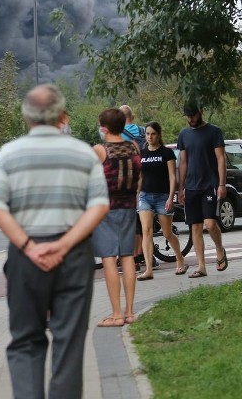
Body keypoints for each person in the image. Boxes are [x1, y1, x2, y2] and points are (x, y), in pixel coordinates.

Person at [0, 84, 110, 399]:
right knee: (69, 341)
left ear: (25, 116)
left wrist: (29, 246)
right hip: (74, 256)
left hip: (25, 256)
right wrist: (65, 244)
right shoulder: (84, 154)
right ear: (61, 116)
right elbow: (99, 205)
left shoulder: (9, 154)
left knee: (25, 340)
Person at [92, 108, 141, 327]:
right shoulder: (134, 147)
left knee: (109, 257)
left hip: (106, 208)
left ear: (104, 128)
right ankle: (130, 312)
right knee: (128, 256)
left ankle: (116, 314)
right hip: (129, 206)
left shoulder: (100, 150)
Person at [177, 104, 228, 278]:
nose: (190, 119)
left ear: (201, 112)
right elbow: (182, 162)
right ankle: (201, 266)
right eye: (187, 116)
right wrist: (180, 188)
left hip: (209, 184)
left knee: (210, 223)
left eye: (193, 115)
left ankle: (220, 249)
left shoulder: (214, 132)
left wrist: (222, 184)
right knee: (195, 227)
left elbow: (221, 158)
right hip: (191, 186)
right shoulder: (184, 134)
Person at [137, 122, 186, 279]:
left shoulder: (167, 153)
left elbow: (172, 176)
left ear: (159, 135)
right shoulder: (142, 154)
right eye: (147, 134)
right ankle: (149, 269)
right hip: (145, 196)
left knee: (167, 233)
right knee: (146, 231)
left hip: (162, 197)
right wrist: (137, 195)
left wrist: (171, 197)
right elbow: (140, 177)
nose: (150, 137)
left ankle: (180, 259)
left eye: (153, 134)